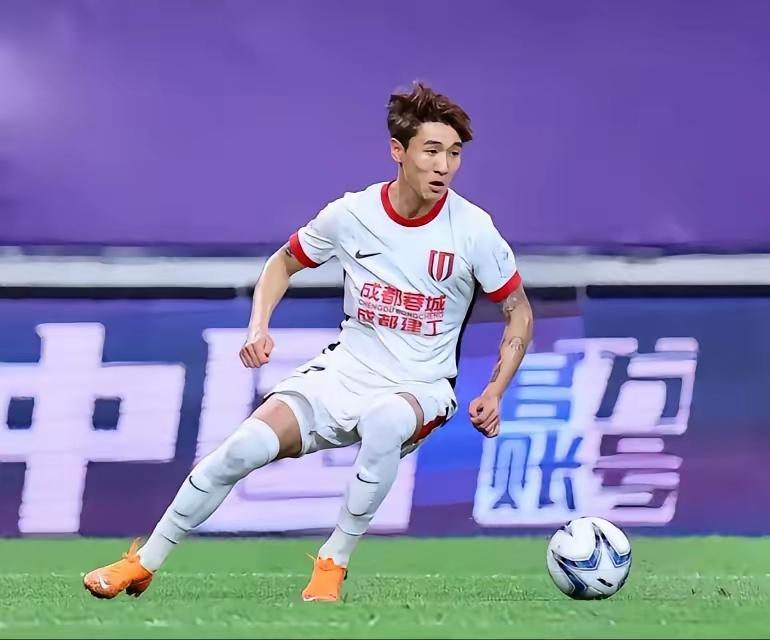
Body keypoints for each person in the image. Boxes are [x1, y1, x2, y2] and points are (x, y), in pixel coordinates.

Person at [83, 82, 533, 602]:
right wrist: (258, 326)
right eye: (431, 151)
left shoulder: (473, 230)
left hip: (421, 386)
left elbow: (518, 311)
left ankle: (332, 563)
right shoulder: (352, 215)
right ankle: (142, 563)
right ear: (398, 150)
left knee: (384, 421)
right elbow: (283, 262)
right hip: (344, 373)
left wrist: (495, 389)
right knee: (242, 449)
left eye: (453, 154)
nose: (444, 166)